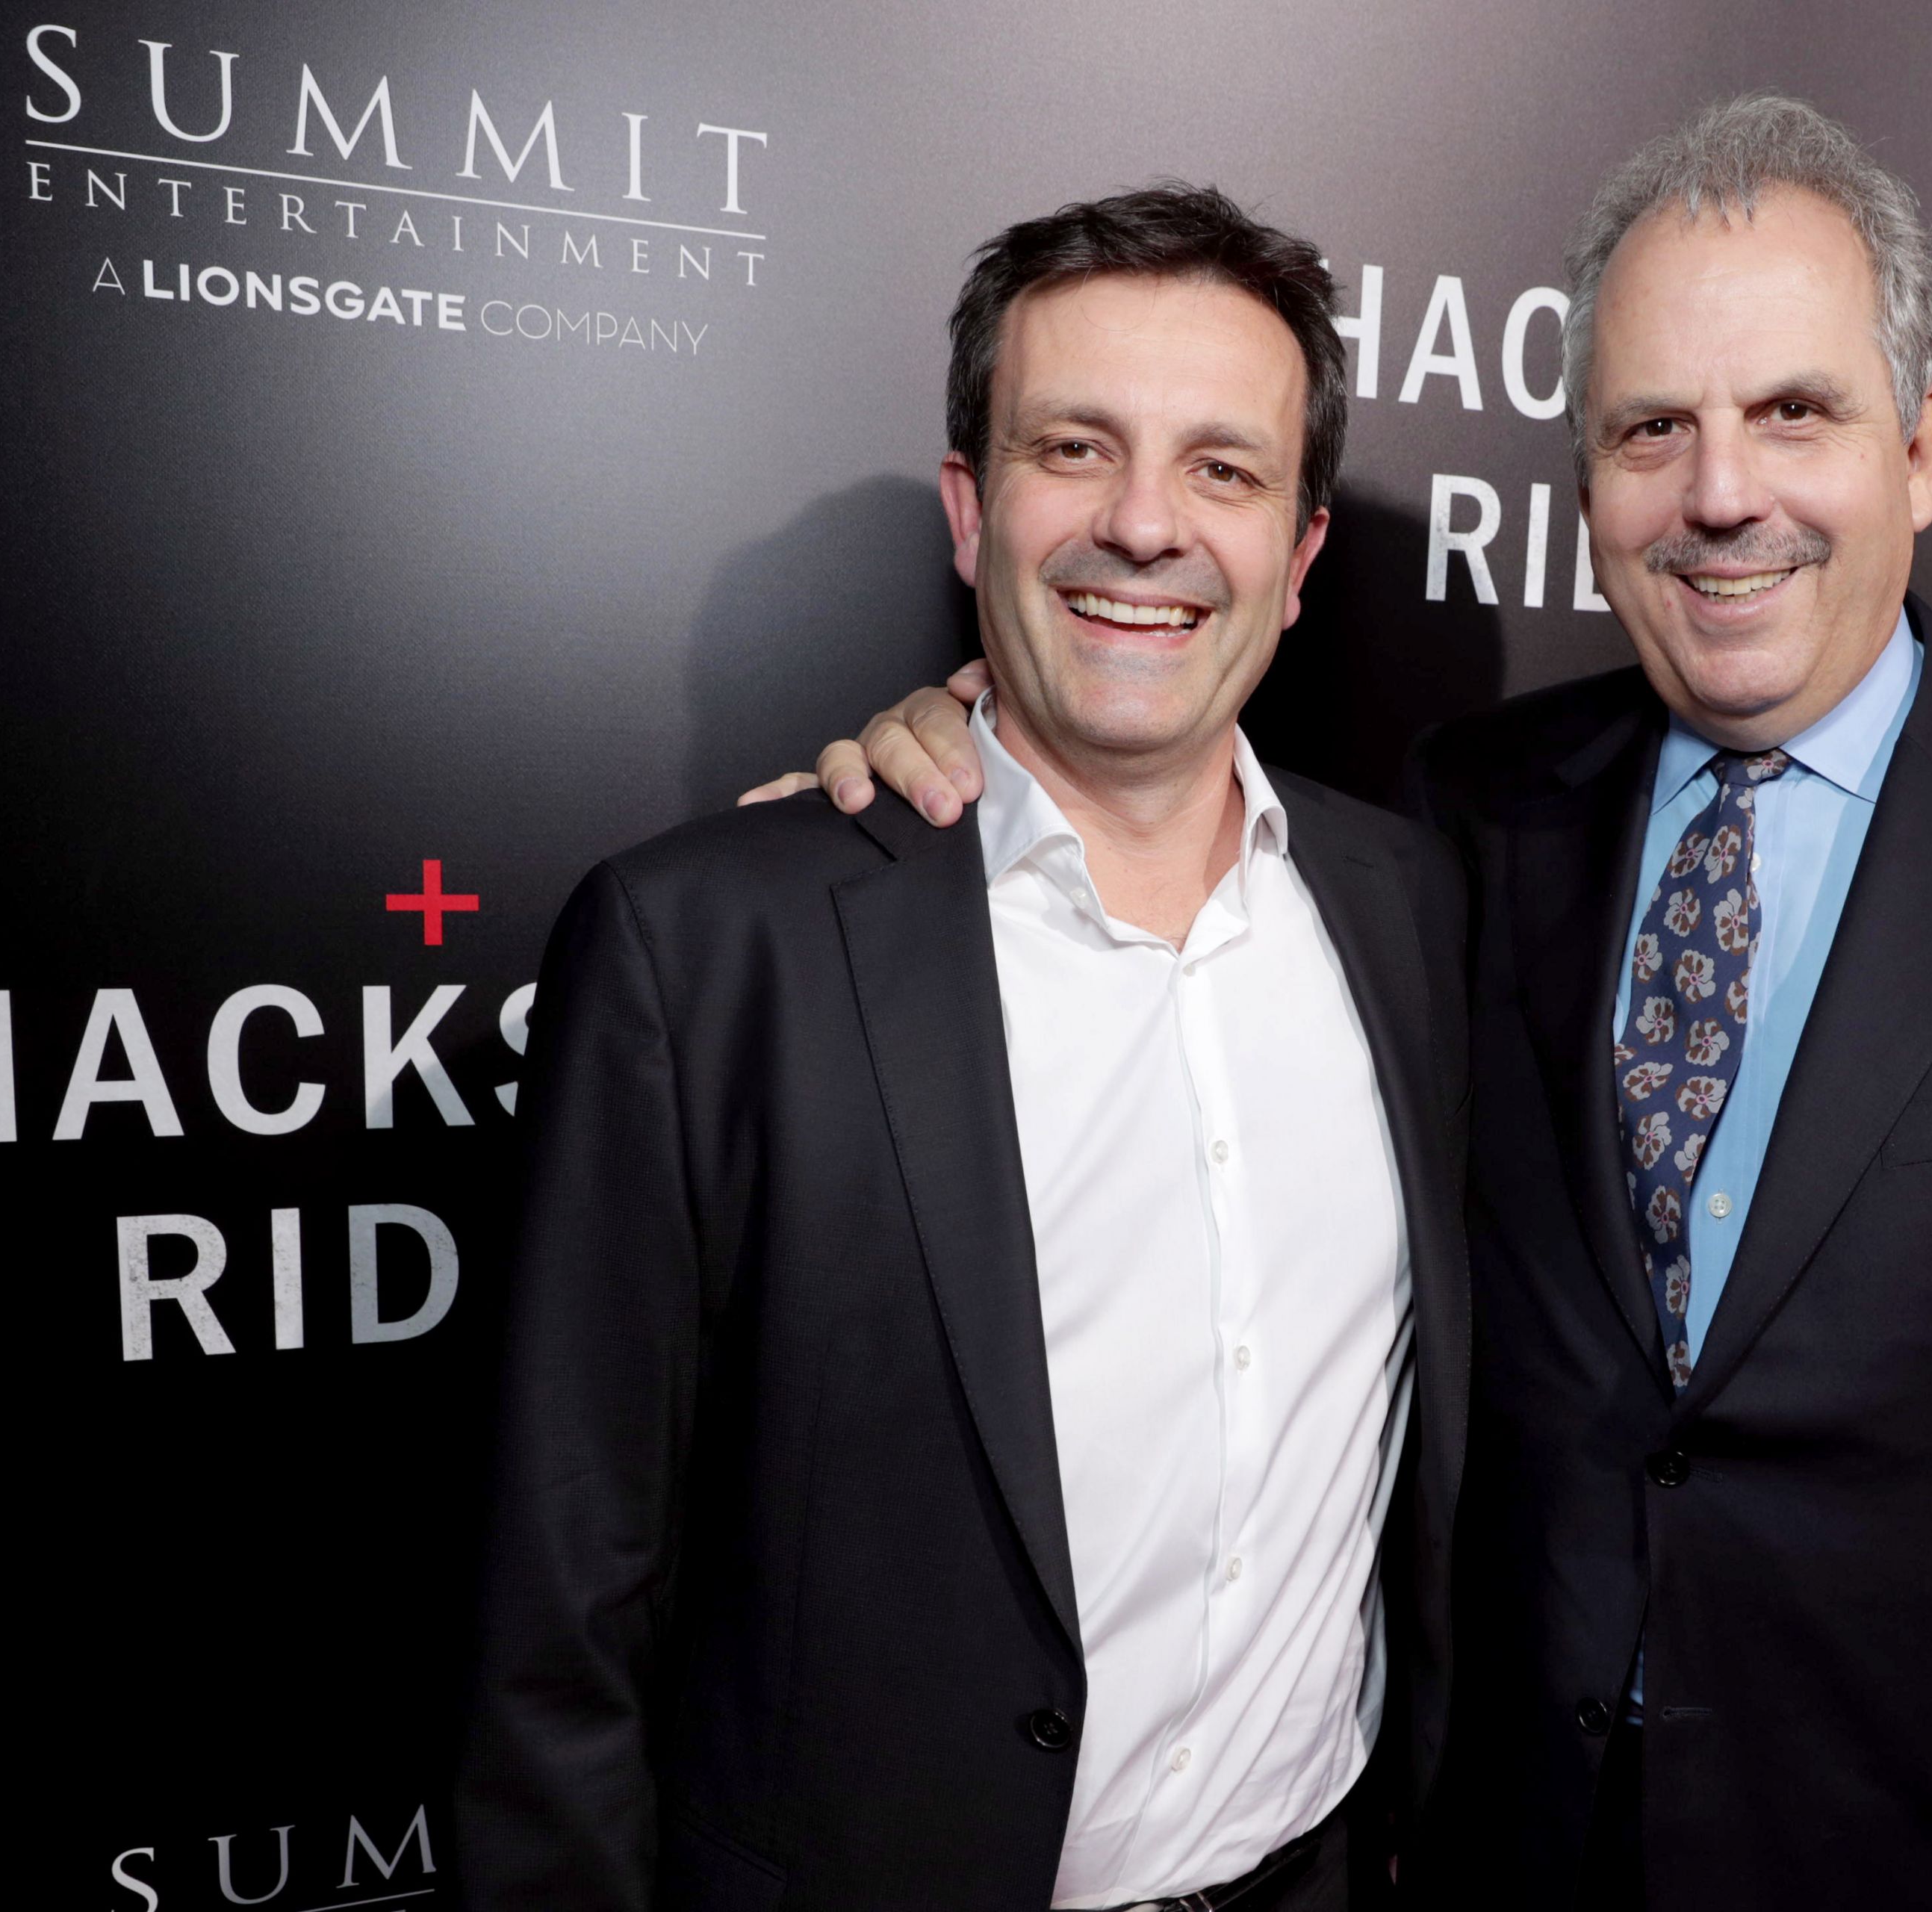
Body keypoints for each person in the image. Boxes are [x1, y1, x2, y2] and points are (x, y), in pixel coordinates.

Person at [756, 97, 1932, 1911]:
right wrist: (954, 747)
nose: (1720, 491)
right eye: (1650, 428)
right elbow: (1140, 756)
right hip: (1494, 1848)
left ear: (1923, 440)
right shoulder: (1464, 812)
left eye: (1796, 410)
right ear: (1588, 476)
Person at [462, 185, 1471, 1912]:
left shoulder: (1410, 907)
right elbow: (558, 1624)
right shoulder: (711, 950)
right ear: (971, 508)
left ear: (1299, 561)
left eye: (1223, 469)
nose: (1143, 525)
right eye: (1074, 448)